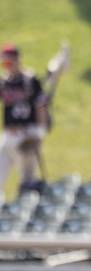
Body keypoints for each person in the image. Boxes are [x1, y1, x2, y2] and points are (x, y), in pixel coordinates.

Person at [0, 44, 48, 201]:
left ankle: (25, 209)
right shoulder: (4, 82)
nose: (7, 66)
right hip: (8, 135)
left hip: (26, 135)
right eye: (4, 63)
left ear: (17, 60)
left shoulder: (29, 80)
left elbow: (40, 105)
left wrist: (40, 130)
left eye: (9, 62)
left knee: (26, 180)